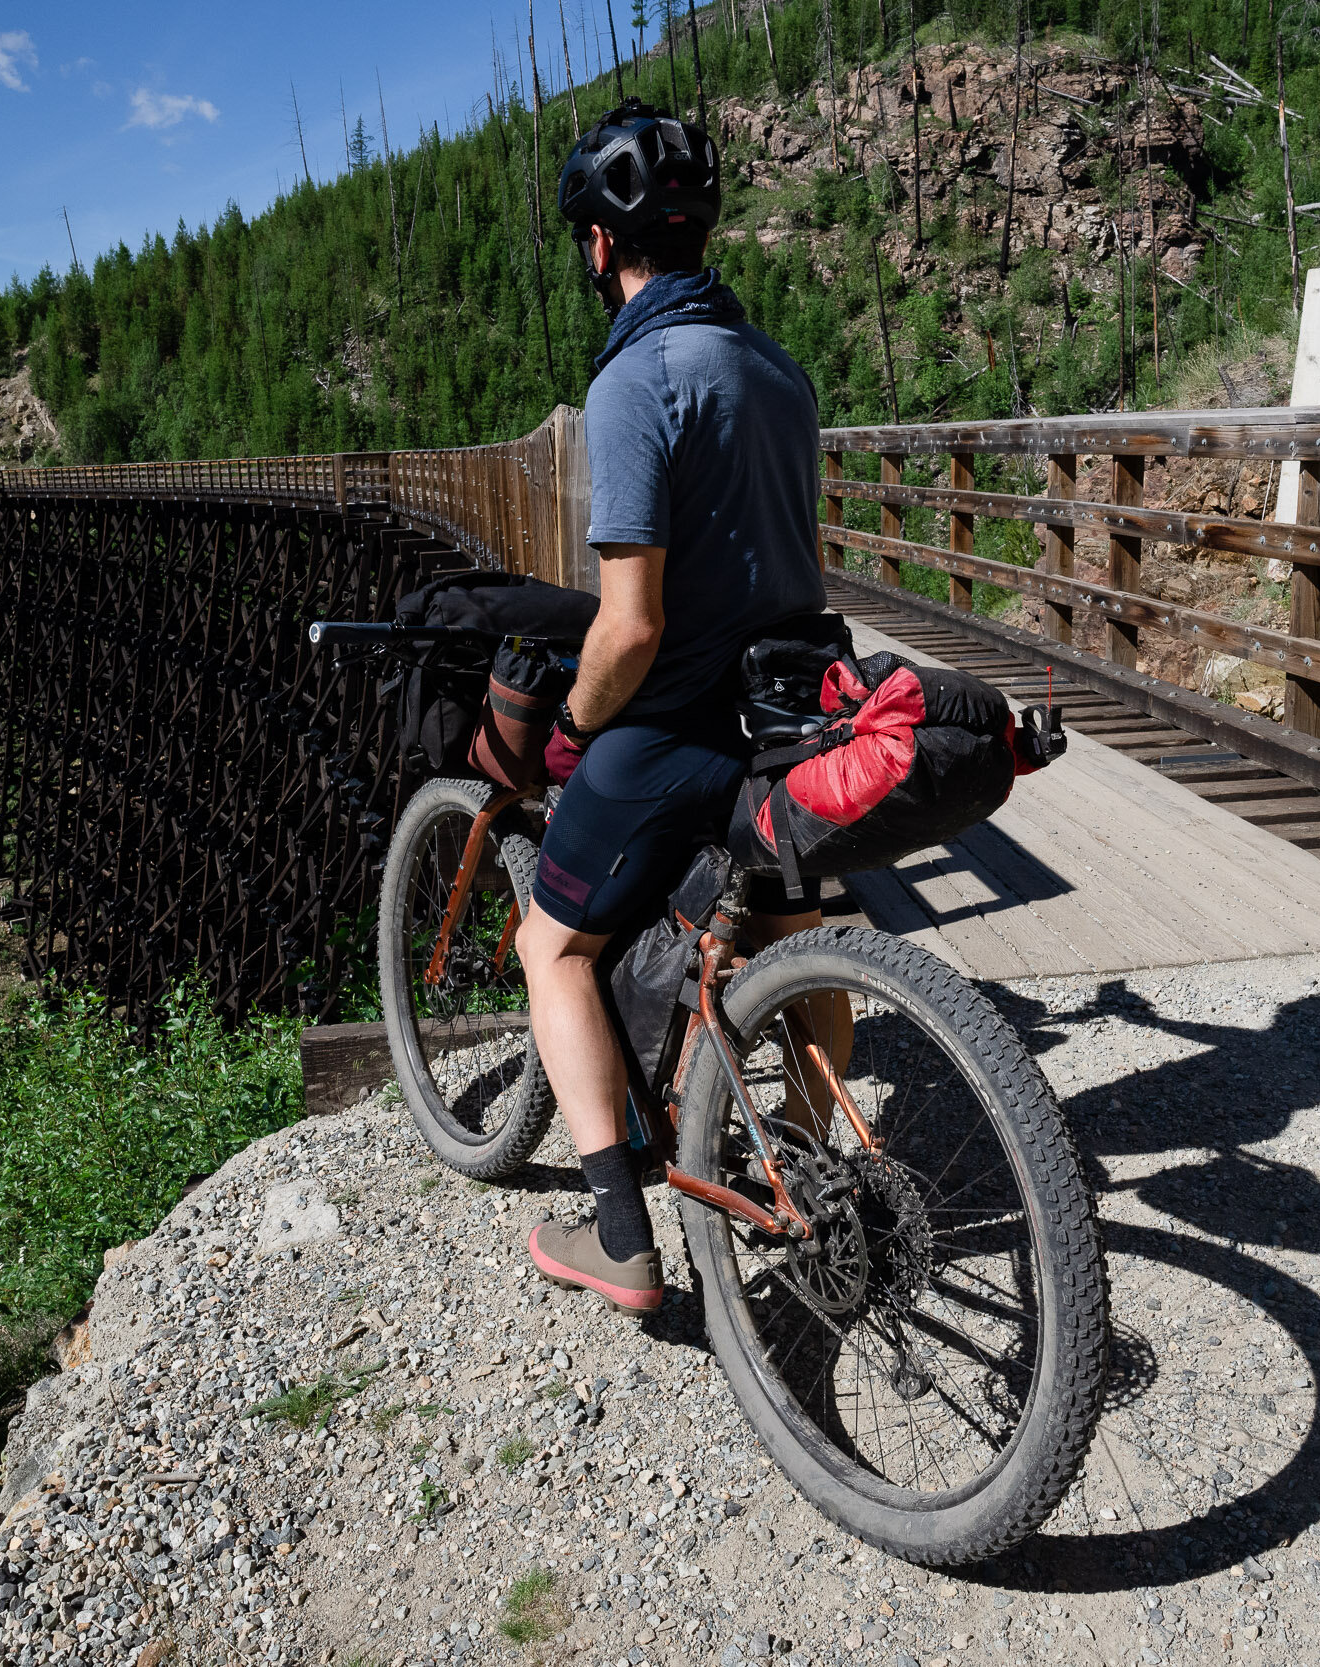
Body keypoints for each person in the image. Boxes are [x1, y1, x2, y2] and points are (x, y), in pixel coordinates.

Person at [518, 100, 831, 1316]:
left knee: (555, 944)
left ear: (602, 247)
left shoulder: (636, 378)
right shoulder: (776, 369)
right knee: (801, 952)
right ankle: (807, 1178)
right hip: (797, 717)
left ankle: (619, 1234)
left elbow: (629, 625)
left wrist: (575, 727)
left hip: (682, 726)